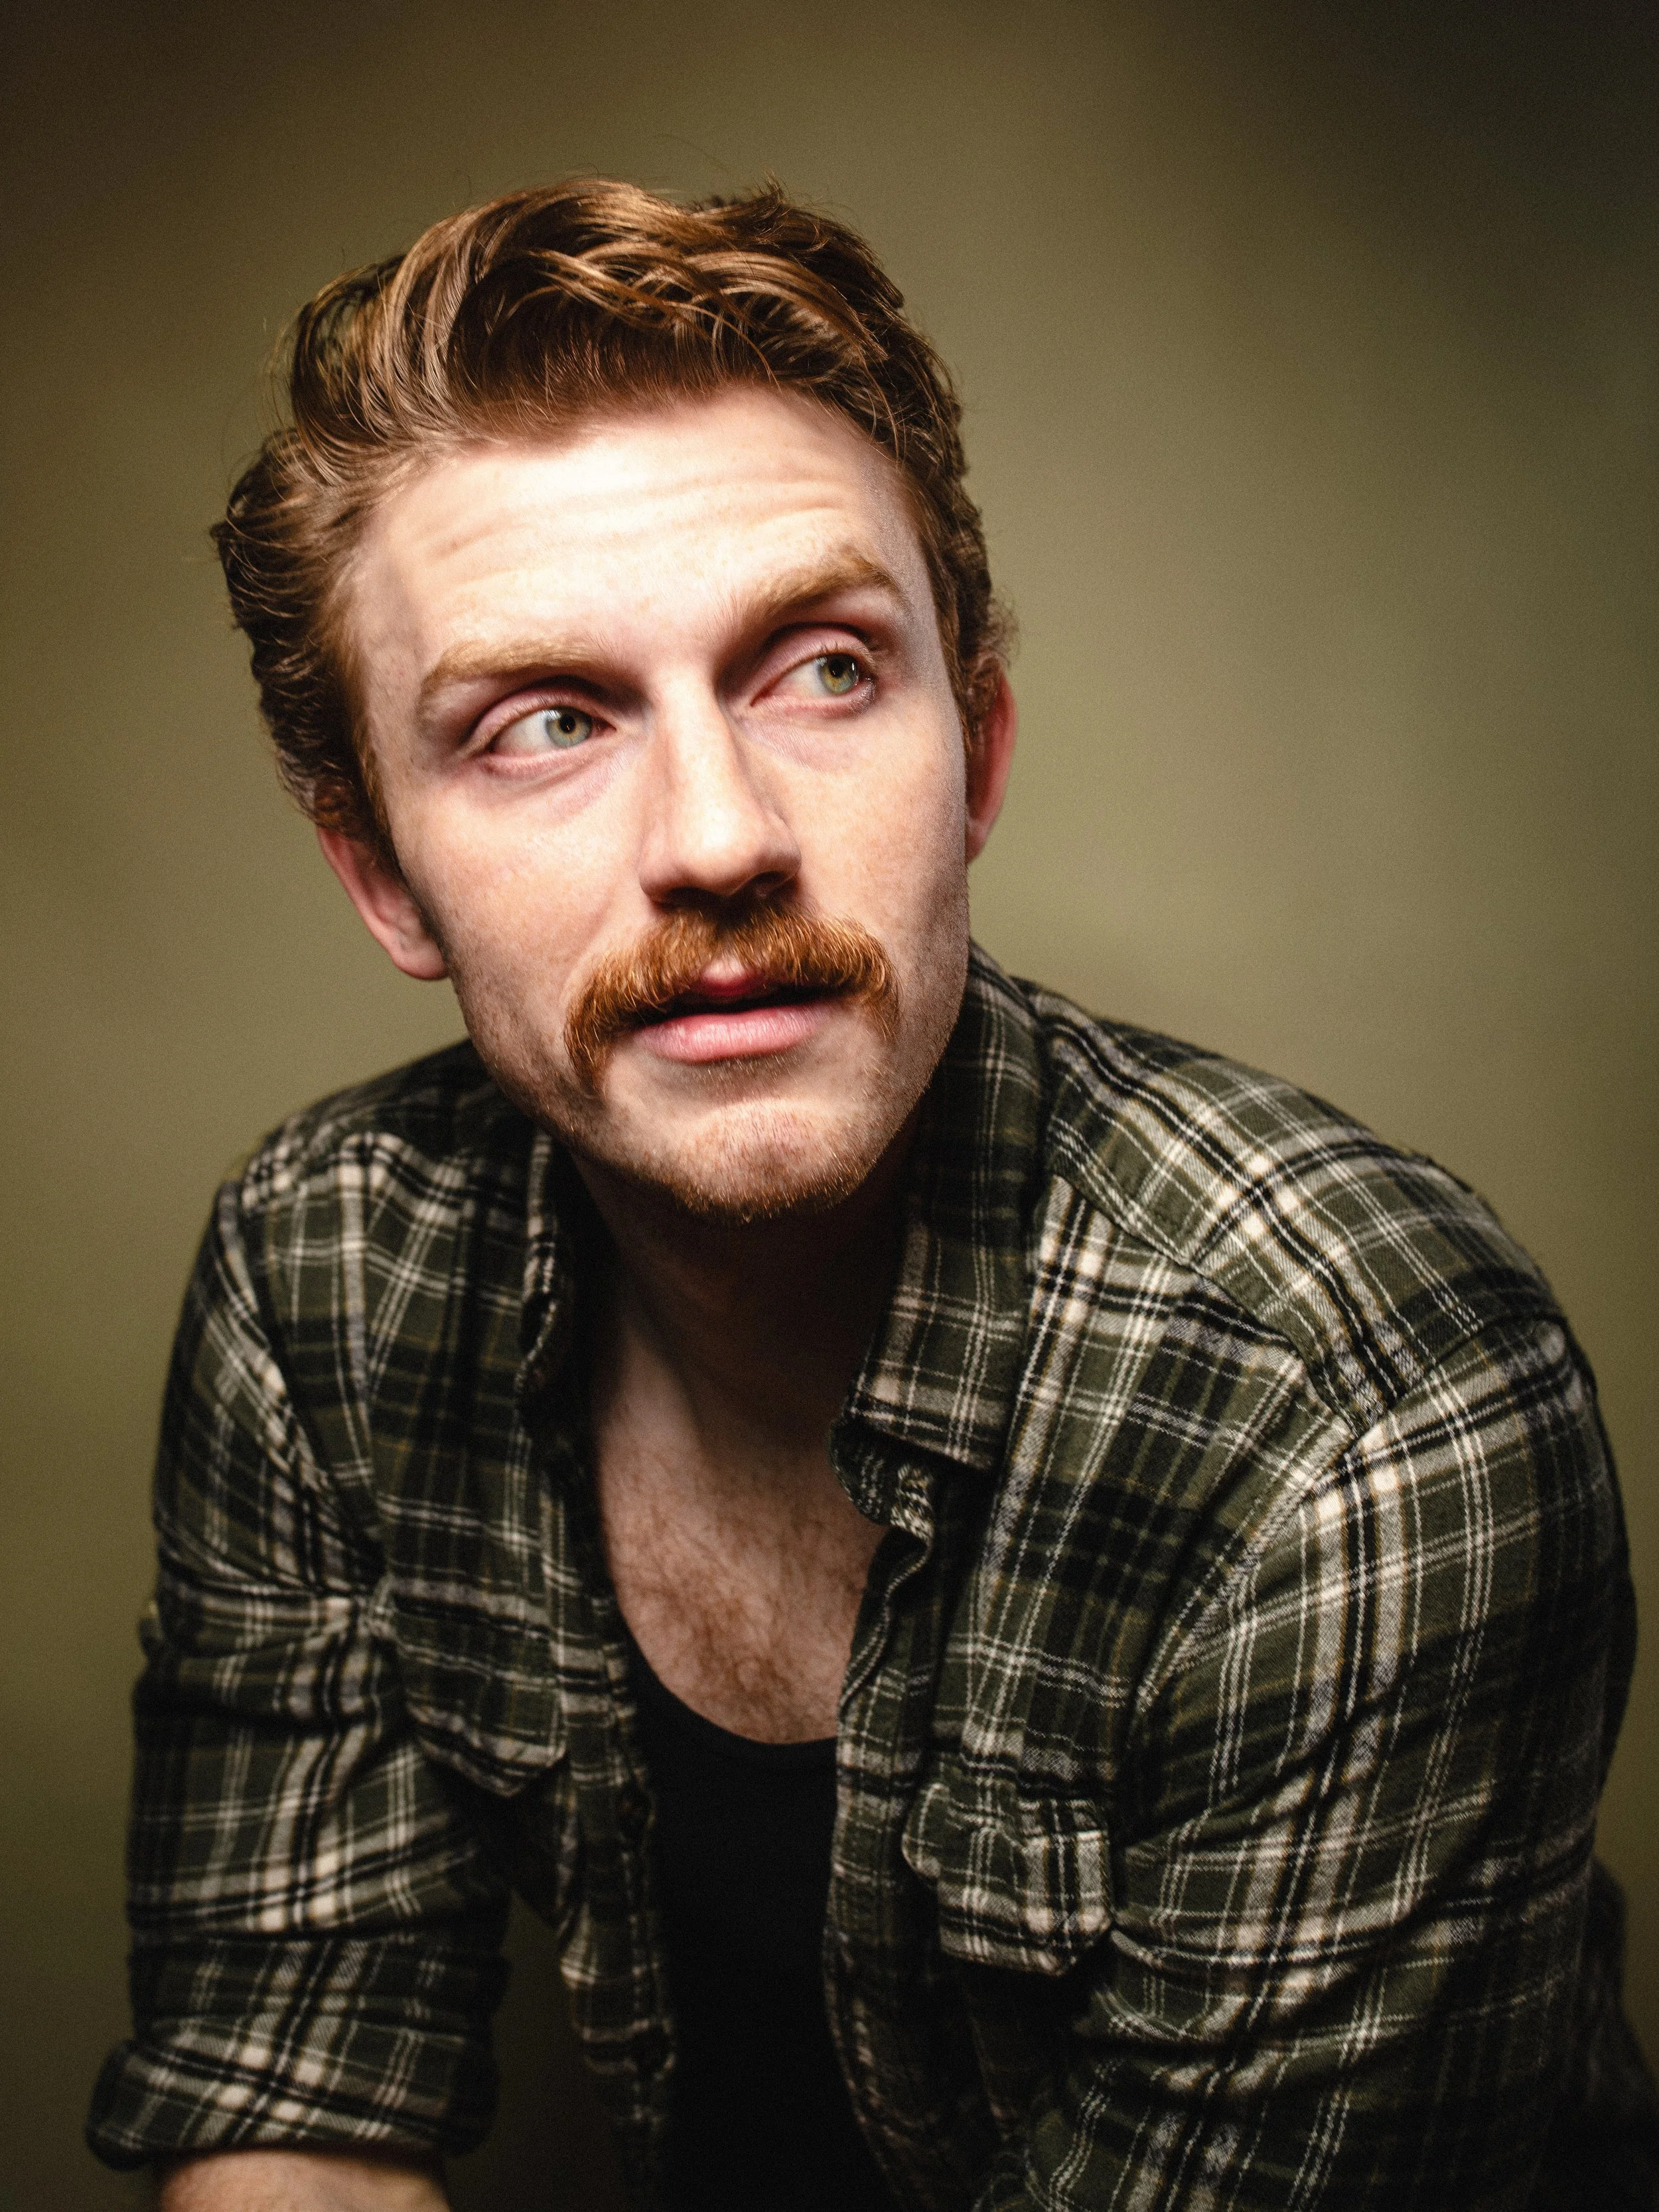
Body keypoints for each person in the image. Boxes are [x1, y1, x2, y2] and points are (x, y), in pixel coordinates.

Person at [86, 179, 1654, 2212]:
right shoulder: (325, 1271)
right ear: (382, 874)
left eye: (822, 670)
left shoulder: (1358, 1409)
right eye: (545, 722)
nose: (719, 836)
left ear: (974, 748)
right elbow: (292, 2096)